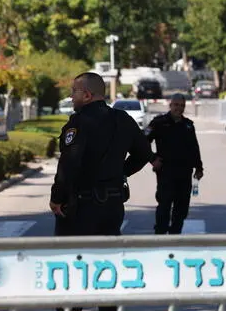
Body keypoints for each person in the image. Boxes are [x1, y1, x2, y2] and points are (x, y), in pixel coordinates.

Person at [50, 72, 159, 311]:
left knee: (72, 270)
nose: (71, 96)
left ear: (87, 95)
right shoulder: (123, 120)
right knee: (105, 268)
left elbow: (69, 164)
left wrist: (56, 198)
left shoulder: (78, 123)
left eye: (74, 92)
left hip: (80, 207)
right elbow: (144, 154)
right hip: (111, 206)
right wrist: (121, 173)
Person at [145, 93, 204, 234]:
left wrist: (199, 167)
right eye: (176, 105)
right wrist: (152, 159)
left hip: (185, 172)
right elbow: (142, 141)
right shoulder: (159, 123)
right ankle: (160, 236)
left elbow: (194, 148)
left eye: (182, 105)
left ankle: (175, 236)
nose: (179, 108)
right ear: (170, 105)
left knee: (182, 207)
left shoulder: (188, 125)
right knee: (164, 205)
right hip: (166, 172)